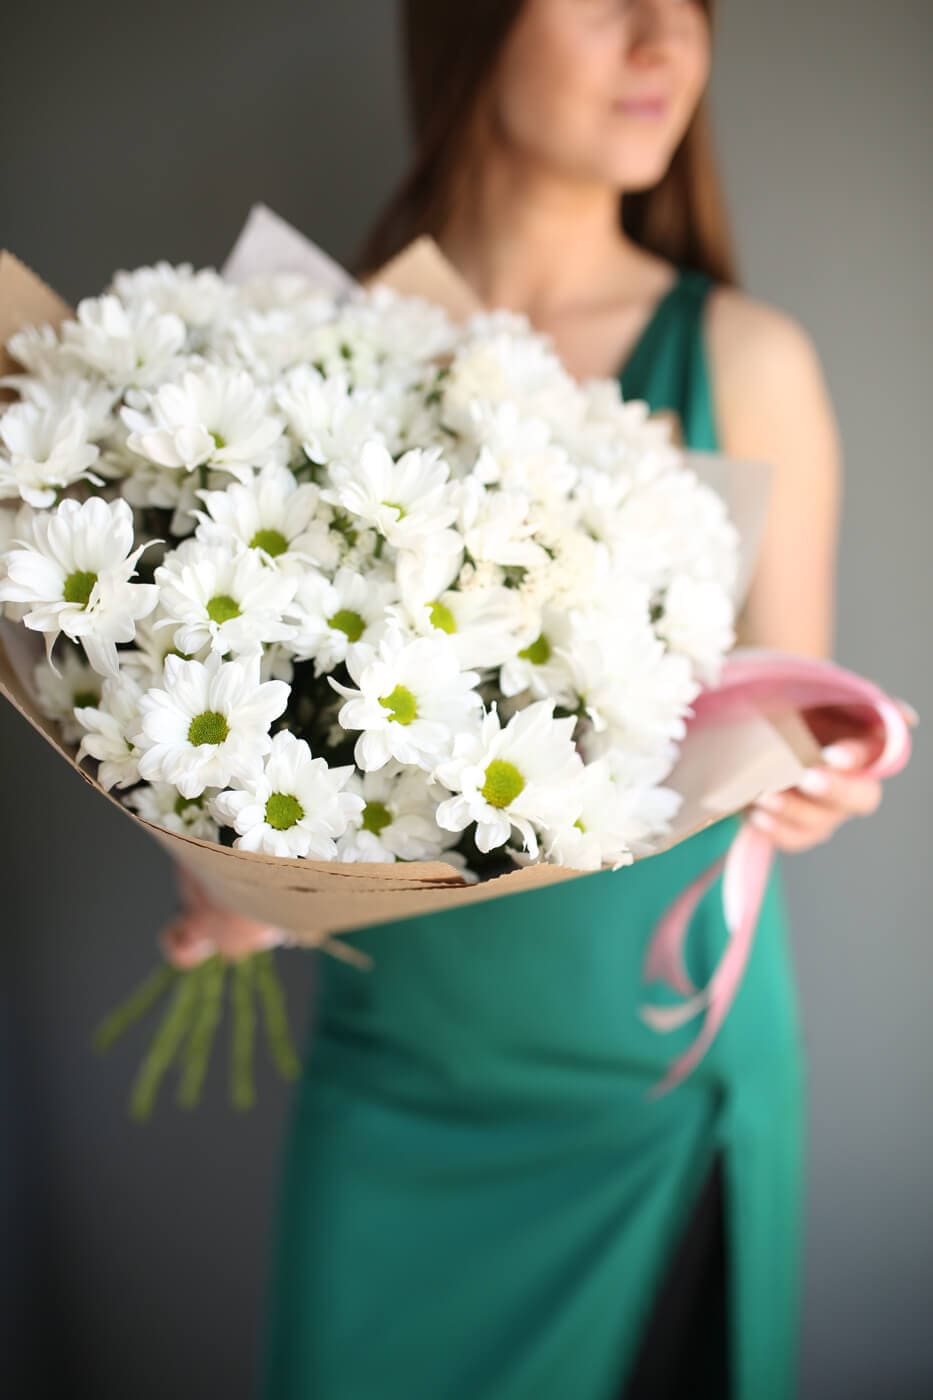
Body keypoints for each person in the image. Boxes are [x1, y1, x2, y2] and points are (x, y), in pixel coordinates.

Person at [163, 3, 894, 1396]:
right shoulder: (302, 352)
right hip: (398, 1083)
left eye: (687, 3)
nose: (661, 40)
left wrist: (817, 779)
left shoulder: (742, 359)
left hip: (654, 1094)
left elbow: (790, 716)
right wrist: (244, 871)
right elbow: (247, 707)